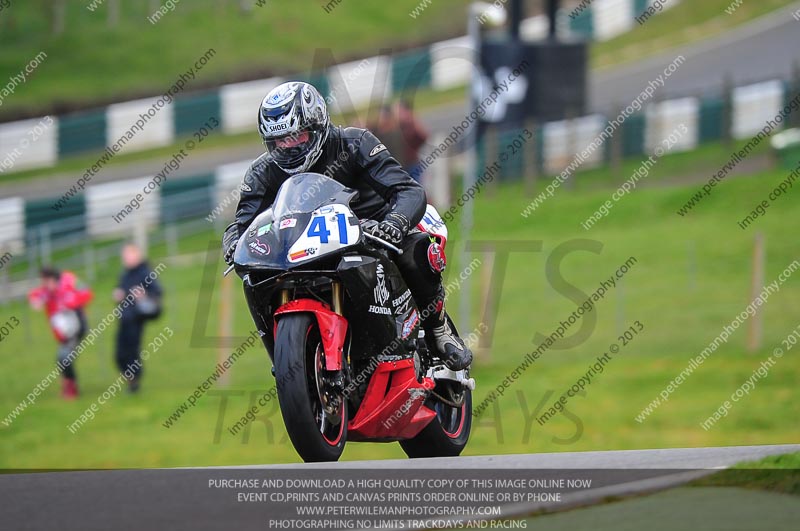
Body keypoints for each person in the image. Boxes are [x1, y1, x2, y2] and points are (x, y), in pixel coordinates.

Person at [222, 81, 472, 371]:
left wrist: (394, 223)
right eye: (280, 142)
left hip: (374, 233)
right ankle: (285, 360)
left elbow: (409, 190)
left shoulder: (355, 143)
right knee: (254, 279)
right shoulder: (262, 171)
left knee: (416, 249)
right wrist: (233, 243)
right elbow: (242, 223)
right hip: (304, 247)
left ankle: (438, 330)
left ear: (318, 125)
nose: (289, 148)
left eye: (298, 136)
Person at [28, 267, 93, 399]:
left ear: (54, 278)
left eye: (47, 281)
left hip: (77, 327)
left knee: (64, 357)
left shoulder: (69, 280)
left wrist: (71, 302)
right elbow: (34, 295)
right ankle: (68, 382)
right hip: (62, 332)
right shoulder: (47, 291)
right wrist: (35, 302)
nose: (45, 284)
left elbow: (87, 292)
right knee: (64, 357)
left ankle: (71, 387)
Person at [113, 244, 162, 392]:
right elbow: (121, 290)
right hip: (124, 318)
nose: (126, 259)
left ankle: (134, 382)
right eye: (124, 256)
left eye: (128, 255)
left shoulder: (145, 272)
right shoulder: (125, 274)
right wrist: (118, 294)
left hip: (136, 318)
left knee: (132, 351)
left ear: (137, 255)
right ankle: (130, 378)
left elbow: (157, 292)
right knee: (119, 354)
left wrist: (143, 296)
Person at [395, 99, 429, 183]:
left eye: (399, 110)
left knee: (417, 189)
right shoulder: (395, 126)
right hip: (400, 165)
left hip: (412, 164)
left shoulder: (411, 123)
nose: (396, 114)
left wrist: (411, 119)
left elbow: (423, 136)